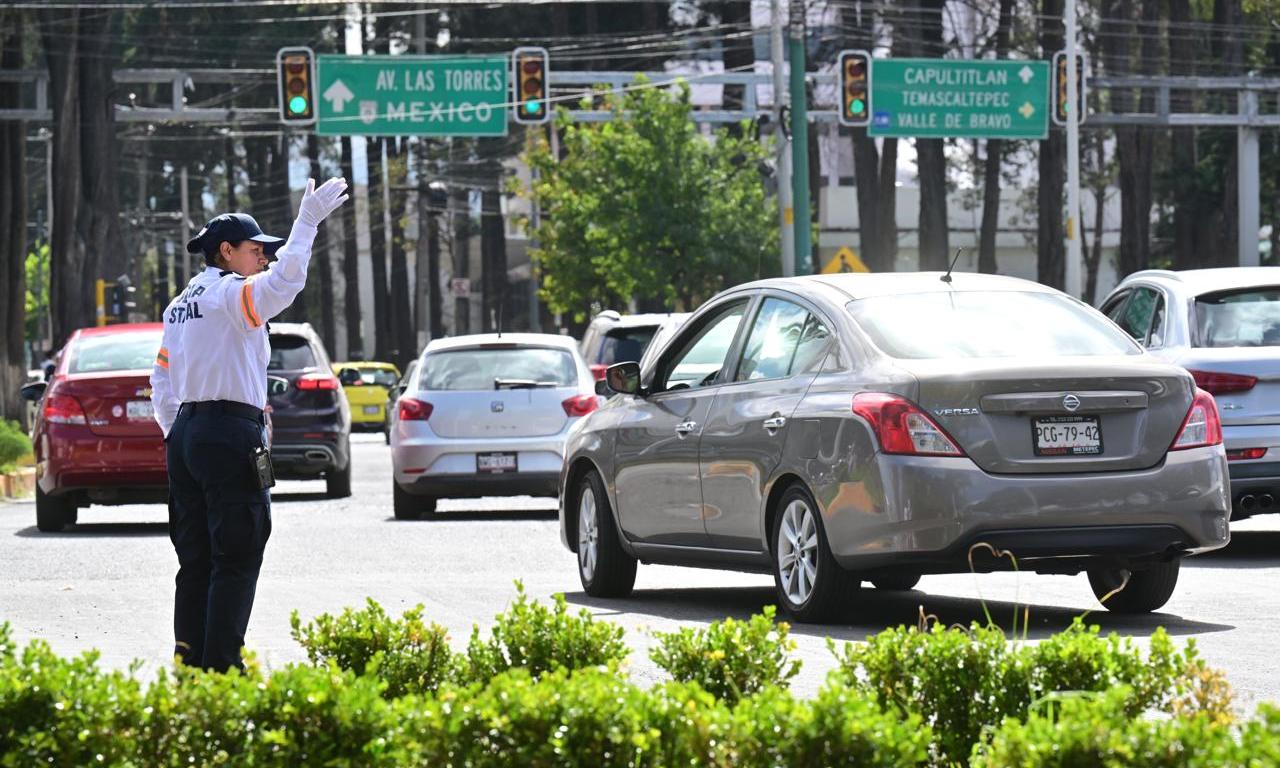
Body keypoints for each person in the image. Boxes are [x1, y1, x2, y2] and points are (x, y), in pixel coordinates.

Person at [150, 178, 348, 672]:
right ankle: (222, 670)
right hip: (225, 433)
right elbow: (284, 286)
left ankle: (190, 667)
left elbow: (162, 378)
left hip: (188, 434)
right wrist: (306, 224)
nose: (263, 257)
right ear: (226, 251)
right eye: (256, 248)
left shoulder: (181, 305)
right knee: (237, 555)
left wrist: (181, 431)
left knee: (195, 562)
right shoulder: (228, 295)